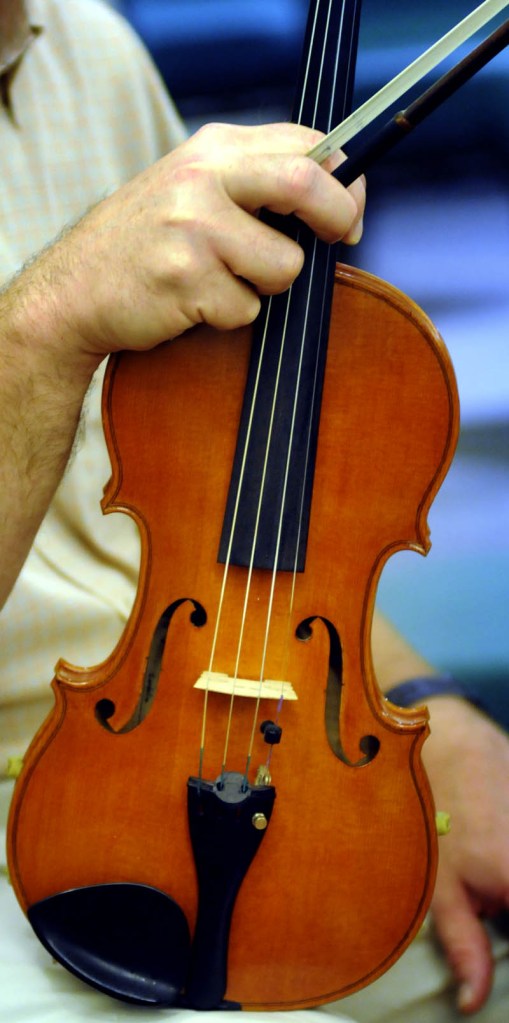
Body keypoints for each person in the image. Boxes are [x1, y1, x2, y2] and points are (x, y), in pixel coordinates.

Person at [1, 2, 508, 1022]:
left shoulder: (87, 45)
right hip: (46, 815)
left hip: (232, 728)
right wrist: (48, 324)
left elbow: (248, 523)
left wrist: (439, 721)